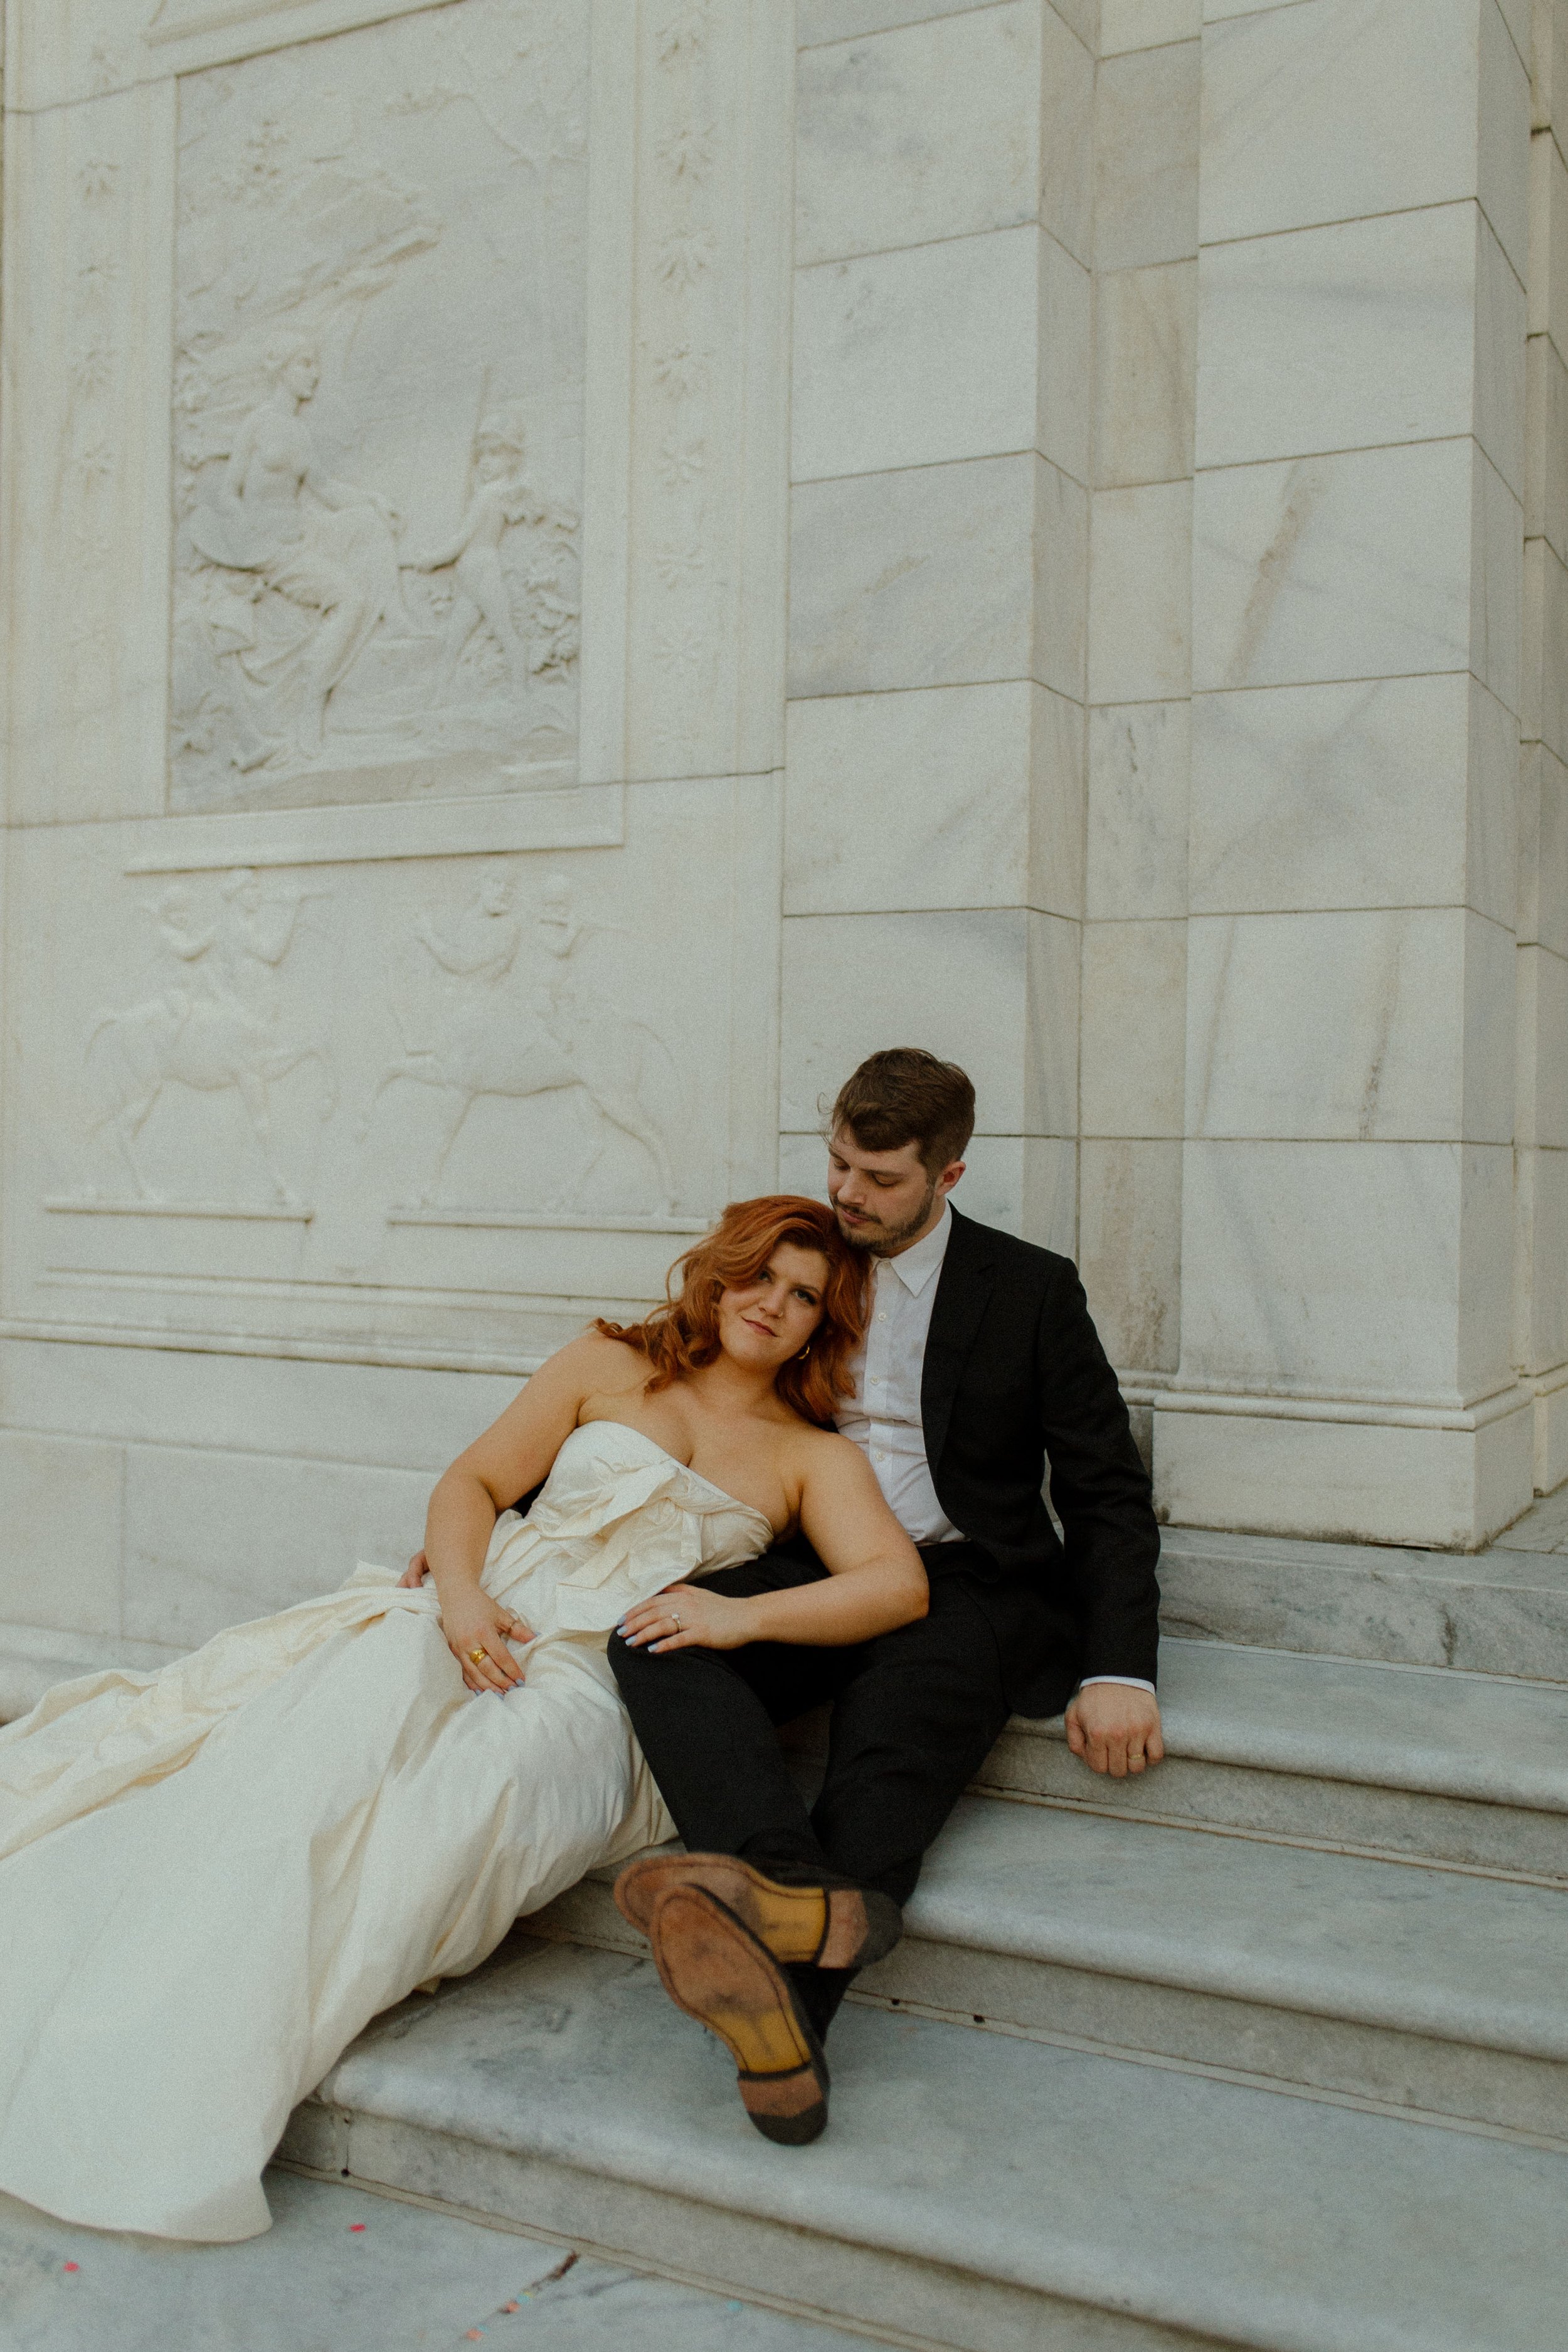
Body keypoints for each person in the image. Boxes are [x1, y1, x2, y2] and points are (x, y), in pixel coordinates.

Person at [0, 1199, 923, 2240]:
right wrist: (463, 1598)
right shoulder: (607, 1362)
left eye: (806, 1296)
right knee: (316, 1765)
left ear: (825, 1324)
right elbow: (475, 1479)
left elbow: (896, 1585)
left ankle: (197, 2053)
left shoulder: (811, 1456)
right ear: (720, 1272)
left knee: (468, 1809)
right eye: (762, 1274)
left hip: (603, 1683)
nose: (775, 1304)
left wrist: (737, 1610)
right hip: (488, 1608)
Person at [609, 1049, 1163, 2144]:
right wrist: (500, 1516)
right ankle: (786, 1888)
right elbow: (657, 1371)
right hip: (810, 1554)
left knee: (885, 1758)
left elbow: (1105, 1487)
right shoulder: (801, 1262)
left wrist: (1121, 1666)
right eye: (838, 1165)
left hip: (961, 1578)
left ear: (949, 1174)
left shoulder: (1029, 1288)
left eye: (881, 1178)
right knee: (656, 1637)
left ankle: (785, 2039)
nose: (849, 1195)